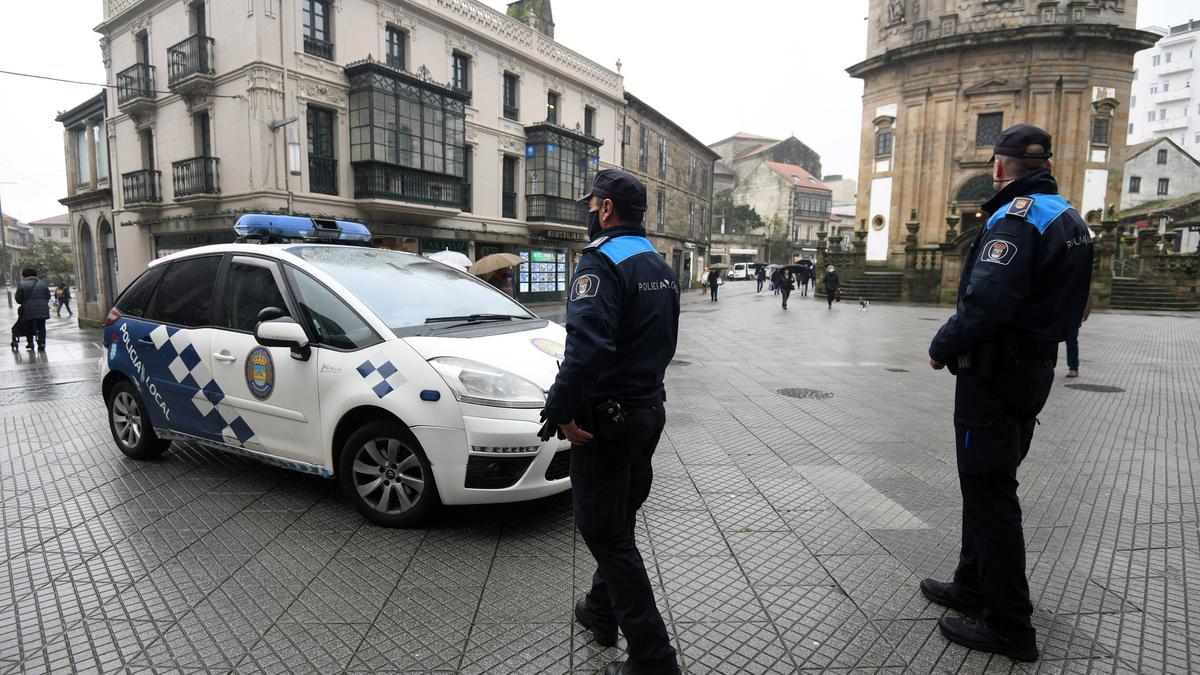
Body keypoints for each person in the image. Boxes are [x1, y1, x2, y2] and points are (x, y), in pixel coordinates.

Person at [925, 124, 1092, 662]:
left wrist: (943, 344)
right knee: (988, 484)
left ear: (999, 166)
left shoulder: (1015, 220)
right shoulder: (1069, 218)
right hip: (1031, 369)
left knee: (991, 494)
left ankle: (1010, 624)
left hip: (995, 374)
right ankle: (972, 586)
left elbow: (988, 302)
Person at [538, 169, 681, 675]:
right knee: (619, 520)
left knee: (605, 533)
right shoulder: (659, 265)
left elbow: (588, 348)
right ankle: (601, 611)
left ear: (604, 209)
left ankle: (653, 659)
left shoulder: (598, 263)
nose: (588, 210)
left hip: (607, 422)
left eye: (591, 203)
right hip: (647, 414)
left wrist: (558, 410)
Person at [15, 268, 51, 351]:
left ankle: (30, 343)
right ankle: (42, 343)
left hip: (28, 309)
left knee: (29, 326)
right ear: (35, 275)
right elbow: (48, 296)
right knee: (42, 327)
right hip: (42, 309)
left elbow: (18, 298)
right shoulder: (42, 283)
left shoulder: (21, 284)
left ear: (23, 275)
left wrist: (23, 302)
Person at [1064, 296, 1090, 378]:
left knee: (1071, 343)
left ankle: (1073, 368)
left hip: (1072, 317)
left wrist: (1083, 315)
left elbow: (1087, 298)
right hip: (1059, 315)